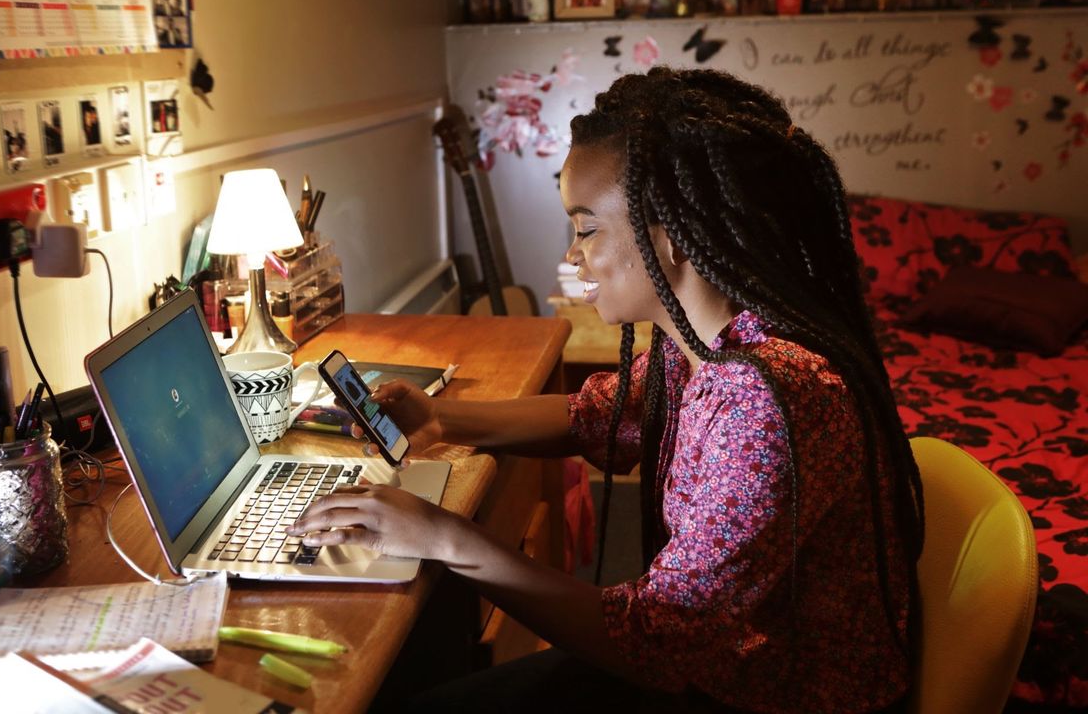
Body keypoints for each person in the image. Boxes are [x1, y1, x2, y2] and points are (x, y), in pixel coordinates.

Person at [291, 68, 924, 713]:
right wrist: (439, 419)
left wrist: (442, 537)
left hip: (770, 695)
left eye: (587, 229)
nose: (573, 256)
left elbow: (655, 645)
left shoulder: (764, 398)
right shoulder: (711, 344)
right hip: (721, 664)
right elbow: (599, 415)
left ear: (673, 235)